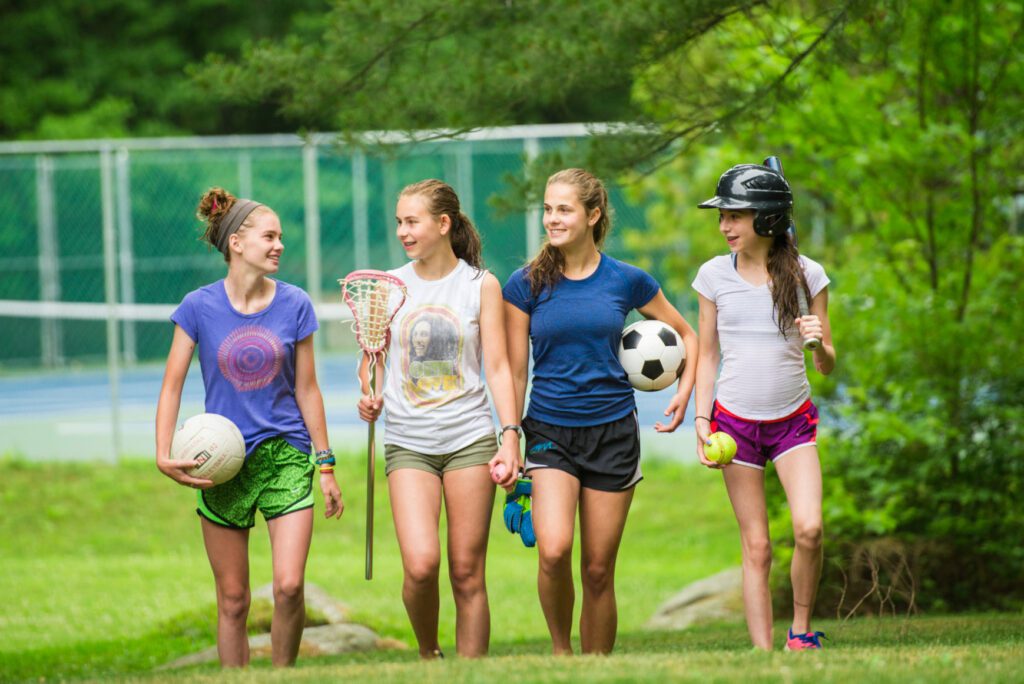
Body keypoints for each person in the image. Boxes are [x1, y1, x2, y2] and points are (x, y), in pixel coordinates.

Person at [503, 168, 698, 655]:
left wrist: (684, 394)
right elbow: (515, 371)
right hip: (548, 430)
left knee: (597, 568)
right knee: (553, 551)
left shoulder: (628, 280)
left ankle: (596, 667)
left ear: (593, 215)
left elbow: (688, 337)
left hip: (613, 433)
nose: (552, 218)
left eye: (563, 209)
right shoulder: (524, 285)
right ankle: (561, 655)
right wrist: (510, 436)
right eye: (547, 209)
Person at [155, 187, 343, 668]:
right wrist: (163, 453)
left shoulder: (296, 304)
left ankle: (282, 676)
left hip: (285, 456)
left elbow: (308, 390)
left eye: (280, 236)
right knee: (234, 600)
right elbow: (172, 385)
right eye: (269, 236)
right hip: (220, 465)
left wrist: (325, 464)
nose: (279, 245)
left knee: (288, 586)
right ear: (236, 242)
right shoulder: (197, 307)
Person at [357, 179, 520, 658]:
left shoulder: (479, 285)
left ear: (443, 224)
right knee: (422, 565)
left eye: (412, 222)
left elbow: (498, 367)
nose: (402, 232)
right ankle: (430, 655)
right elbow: (372, 359)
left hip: (471, 438)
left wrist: (509, 437)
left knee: (468, 571)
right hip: (408, 443)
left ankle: (472, 670)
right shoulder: (387, 287)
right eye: (399, 223)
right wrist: (367, 394)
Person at [692, 163, 836, 650]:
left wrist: (819, 345)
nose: (725, 226)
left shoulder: (807, 275)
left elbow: (828, 365)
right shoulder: (713, 275)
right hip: (734, 424)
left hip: (793, 422)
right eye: (722, 217)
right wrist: (701, 418)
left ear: (769, 219)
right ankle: (763, 654)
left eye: (735, 215)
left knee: (810, 529)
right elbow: (707, 355)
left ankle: (800, 631)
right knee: (756, 546)